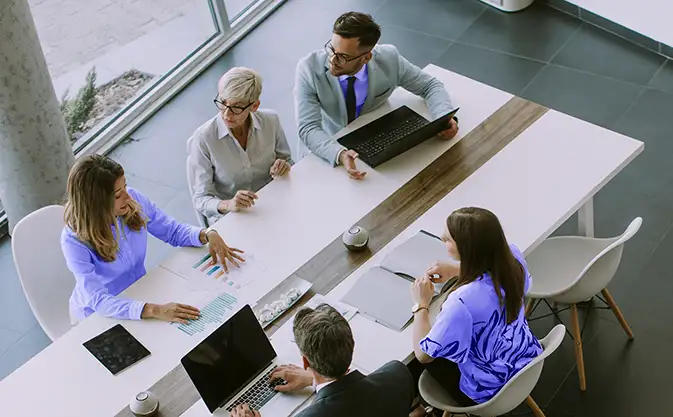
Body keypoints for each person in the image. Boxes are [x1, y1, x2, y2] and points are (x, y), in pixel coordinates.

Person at [61, 155, 244, 324]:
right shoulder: (73, 241)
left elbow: (171, 231)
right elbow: (98, 300)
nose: (127, 196)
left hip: (141, 294)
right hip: (100, 316)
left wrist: (207, 234)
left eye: (125, 187)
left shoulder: (132, 200)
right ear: (96, 203)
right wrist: (154, 310)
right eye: (117, 195)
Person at [294, 11, 458, 180]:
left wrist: (443, 117)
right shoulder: (308, 69)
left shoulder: (389, 59)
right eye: (331, 49)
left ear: (366, 57)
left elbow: (430, 86)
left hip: (375, 137)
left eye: (343, 57)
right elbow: (308, 128)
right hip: (330, 144)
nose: (332, 60)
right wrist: (340, 154)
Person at [410, 207, 542, 407]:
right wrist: (456, 269)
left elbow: (423, 354)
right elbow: (492, 264)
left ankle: (419, 408)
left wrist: (421, 304)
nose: (441, 239)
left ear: (465, 248)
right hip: (524, 358)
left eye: (447, 239)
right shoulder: (514, 258)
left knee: (412, 363)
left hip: (487, 390)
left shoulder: (461, 302)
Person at [231, 304, 414, 417]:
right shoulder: (397, 374)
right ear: (351, 345)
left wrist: (316, 378)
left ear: (305, 362)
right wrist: (313, 379)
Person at [188, 67, 293, 225]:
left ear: (254, 106)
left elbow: (287, 159)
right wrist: (229, 204)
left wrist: (284, 165)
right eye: (223, 103)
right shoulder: (204, 138)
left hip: (273, 204)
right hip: (232, 218)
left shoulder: (271, 121)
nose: (226, 114)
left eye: (236, 107)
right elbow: (201, 199)